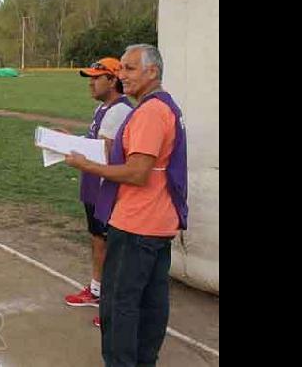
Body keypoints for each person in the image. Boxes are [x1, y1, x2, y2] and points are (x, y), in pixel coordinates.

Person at [63, 44, 188, 366]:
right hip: (158, 221)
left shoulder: (149, 112)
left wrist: (87, 166)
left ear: (152, 72)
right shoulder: (164, 106)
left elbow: (137, 172)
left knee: (119, 303)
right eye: (121, 68)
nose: (122, 75)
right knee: (151, 301)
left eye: (130, 69)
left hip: (137, 224)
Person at [62, 58, 133, 329]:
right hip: (94, 185)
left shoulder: (118, 111)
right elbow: (95, 143)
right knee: (98, 239)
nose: (91, 82)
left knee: (110, 244)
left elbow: (104, 151)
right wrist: (70, 140)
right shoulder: (104, 108)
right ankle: (96, 291)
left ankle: (113, 305)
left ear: (113, 80)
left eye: (96, 77)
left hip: (106, 188)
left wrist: (71, 145)